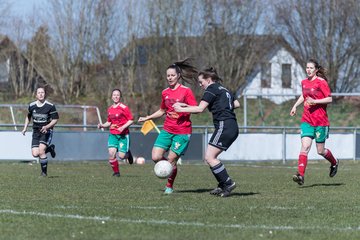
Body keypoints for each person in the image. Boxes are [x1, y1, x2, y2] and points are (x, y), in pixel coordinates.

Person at [173, 67, 240, 197]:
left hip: (224, 125)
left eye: (201, 82)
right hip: (231, 125)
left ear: (208, 80)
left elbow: (200, 109)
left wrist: (181, 109)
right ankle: (222, 185)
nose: (200, 85)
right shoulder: (223, 89)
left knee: (209, 157)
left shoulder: (211, 88)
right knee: (210, 157)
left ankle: (227, 183)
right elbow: (236, 103)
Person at [138, 58, 198, 194]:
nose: (170, 78)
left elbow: (196, 108)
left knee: (171, 159)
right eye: (168, 76)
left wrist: (183, 106)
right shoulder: (165, 92)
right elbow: (162, 111)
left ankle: (169, 186)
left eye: (172, 75)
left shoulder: (186, 91)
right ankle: (169, 167)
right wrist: (147, 117)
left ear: (178, 76)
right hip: (167, 129)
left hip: (182, 131)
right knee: (155, 157)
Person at [290, 59, 339, 185]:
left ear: (316, 70)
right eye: (307, 67)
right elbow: (304, 95)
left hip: (321, 122)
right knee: (305, 146)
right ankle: (300, 175)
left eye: (311, 68)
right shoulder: (304, 82)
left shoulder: (321, 82)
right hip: (307, 120)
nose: (308, 70)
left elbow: (329, 98)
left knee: (320, 151)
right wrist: (295, 106)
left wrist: (315, 101)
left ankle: (334, 162)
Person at [21, 86, 59, 177]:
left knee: (41, 151)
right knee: (35, 154)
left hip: (46, 131)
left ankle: (44, 173)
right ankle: (50, 149)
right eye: (39, 92)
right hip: (36, 132)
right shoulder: (31, 105)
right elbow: (28, 116)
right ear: (36, 95)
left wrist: (47, 127)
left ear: (45, 94)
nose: (41, 94)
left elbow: (55, 119)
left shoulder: (50, 106)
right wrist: (25, 128)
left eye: (42, 92)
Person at [98, 88, 134, 177]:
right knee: (111, 154)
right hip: (113, 134)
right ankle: (116, 172)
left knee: (121, 156)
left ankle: (128, 154)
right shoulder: (110, 109)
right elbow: (109, 122)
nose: (116, 96)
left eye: (118, 95)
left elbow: (131, 120)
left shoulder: (124, 108)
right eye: (114, 95)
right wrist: (102, 125)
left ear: (120, 97)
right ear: (111, 97)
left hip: (123, 135)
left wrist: (123, 127)